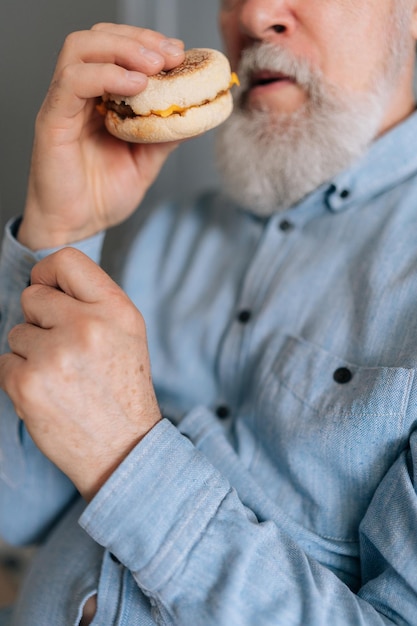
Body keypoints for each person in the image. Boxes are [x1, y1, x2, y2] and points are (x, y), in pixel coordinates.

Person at [0, 0, 417, 624]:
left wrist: (126, 453)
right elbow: (17, 511)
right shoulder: (165, 232)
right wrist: (62, 228)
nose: (252, 16)